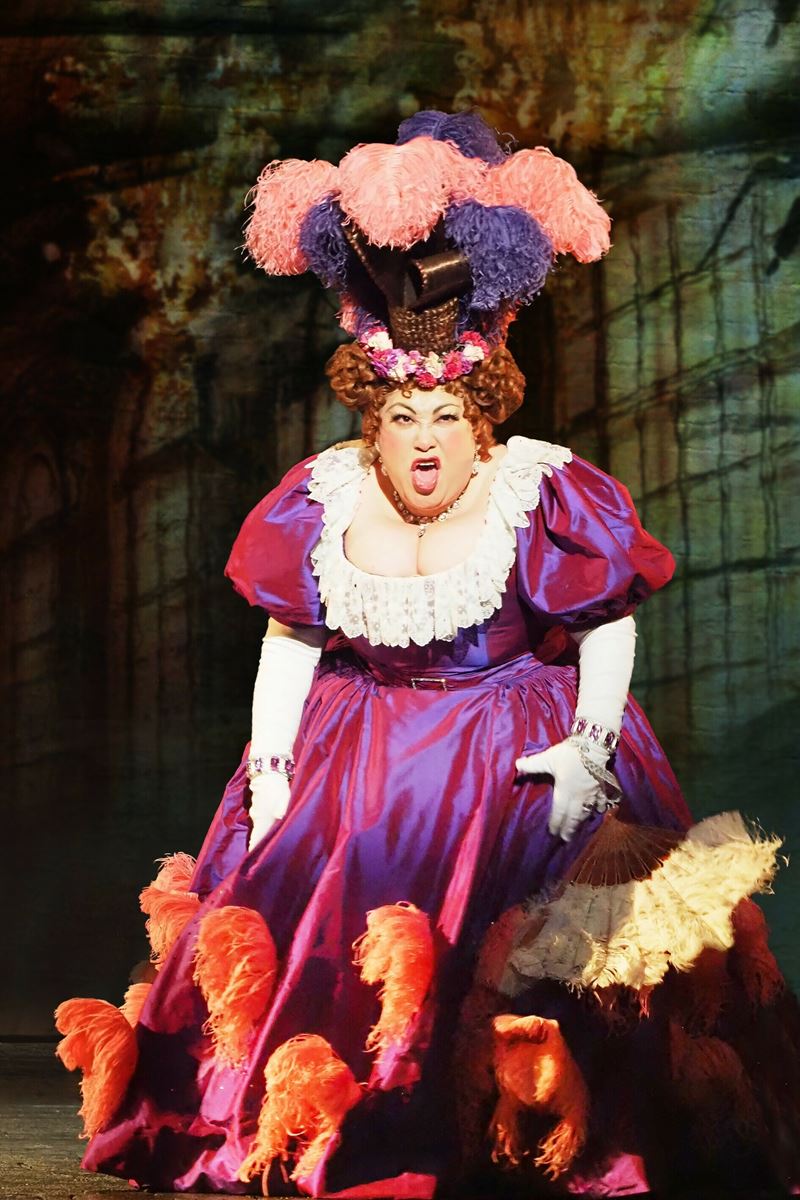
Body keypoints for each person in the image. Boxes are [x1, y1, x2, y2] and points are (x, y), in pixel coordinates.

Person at [56, 110, 800, 1197]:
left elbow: (607, 618)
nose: (423, 437)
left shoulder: (536, 489)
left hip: (511, 743)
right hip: (360, 752)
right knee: (335, 948)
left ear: (478, 413)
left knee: (537, 960)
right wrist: (272, 767)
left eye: (445, 413)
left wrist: (589, 745)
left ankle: (539, 1132)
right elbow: (288, 635)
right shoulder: (323, 496)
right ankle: (339, 1124)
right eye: (404, 414)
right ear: (375, 416)